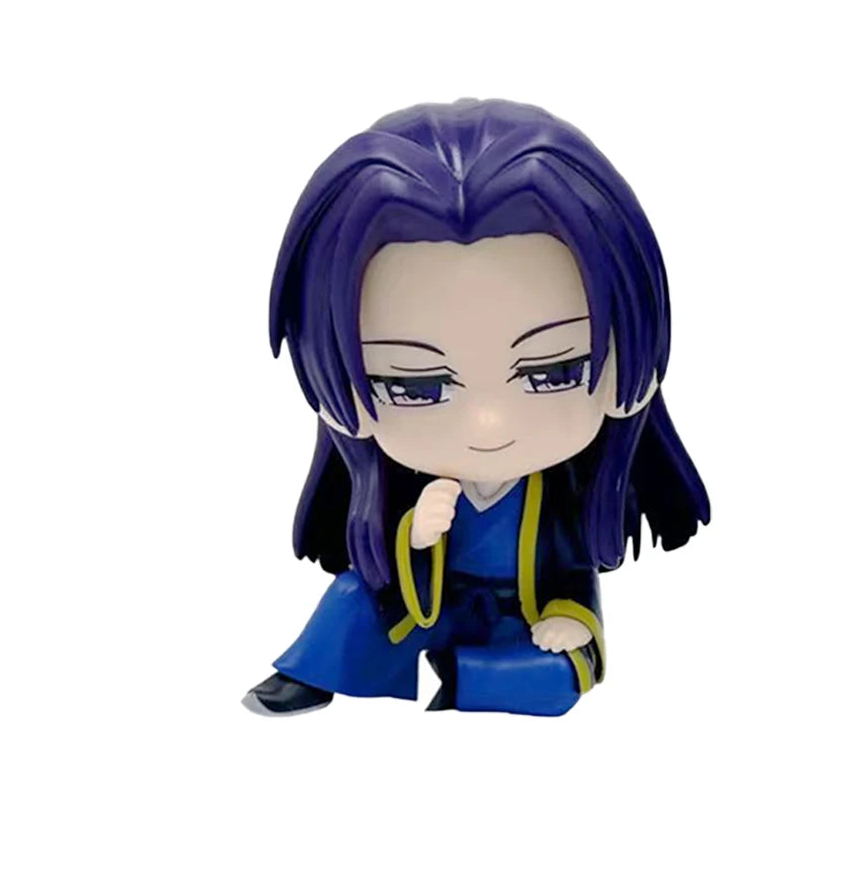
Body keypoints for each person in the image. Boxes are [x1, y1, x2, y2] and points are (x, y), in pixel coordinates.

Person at [242, 99, 710, 717]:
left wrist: (572, 618)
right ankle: (313, 673)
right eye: (415, 387)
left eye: (553, 373)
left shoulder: (559, 491)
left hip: (521, 616)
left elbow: (571, 570)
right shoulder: (406, 483)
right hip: (425, 600)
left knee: (556, 677)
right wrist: (417, 532)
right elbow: (390, 557)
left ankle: (462, 684)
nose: (488, 424)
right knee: (355, 596)